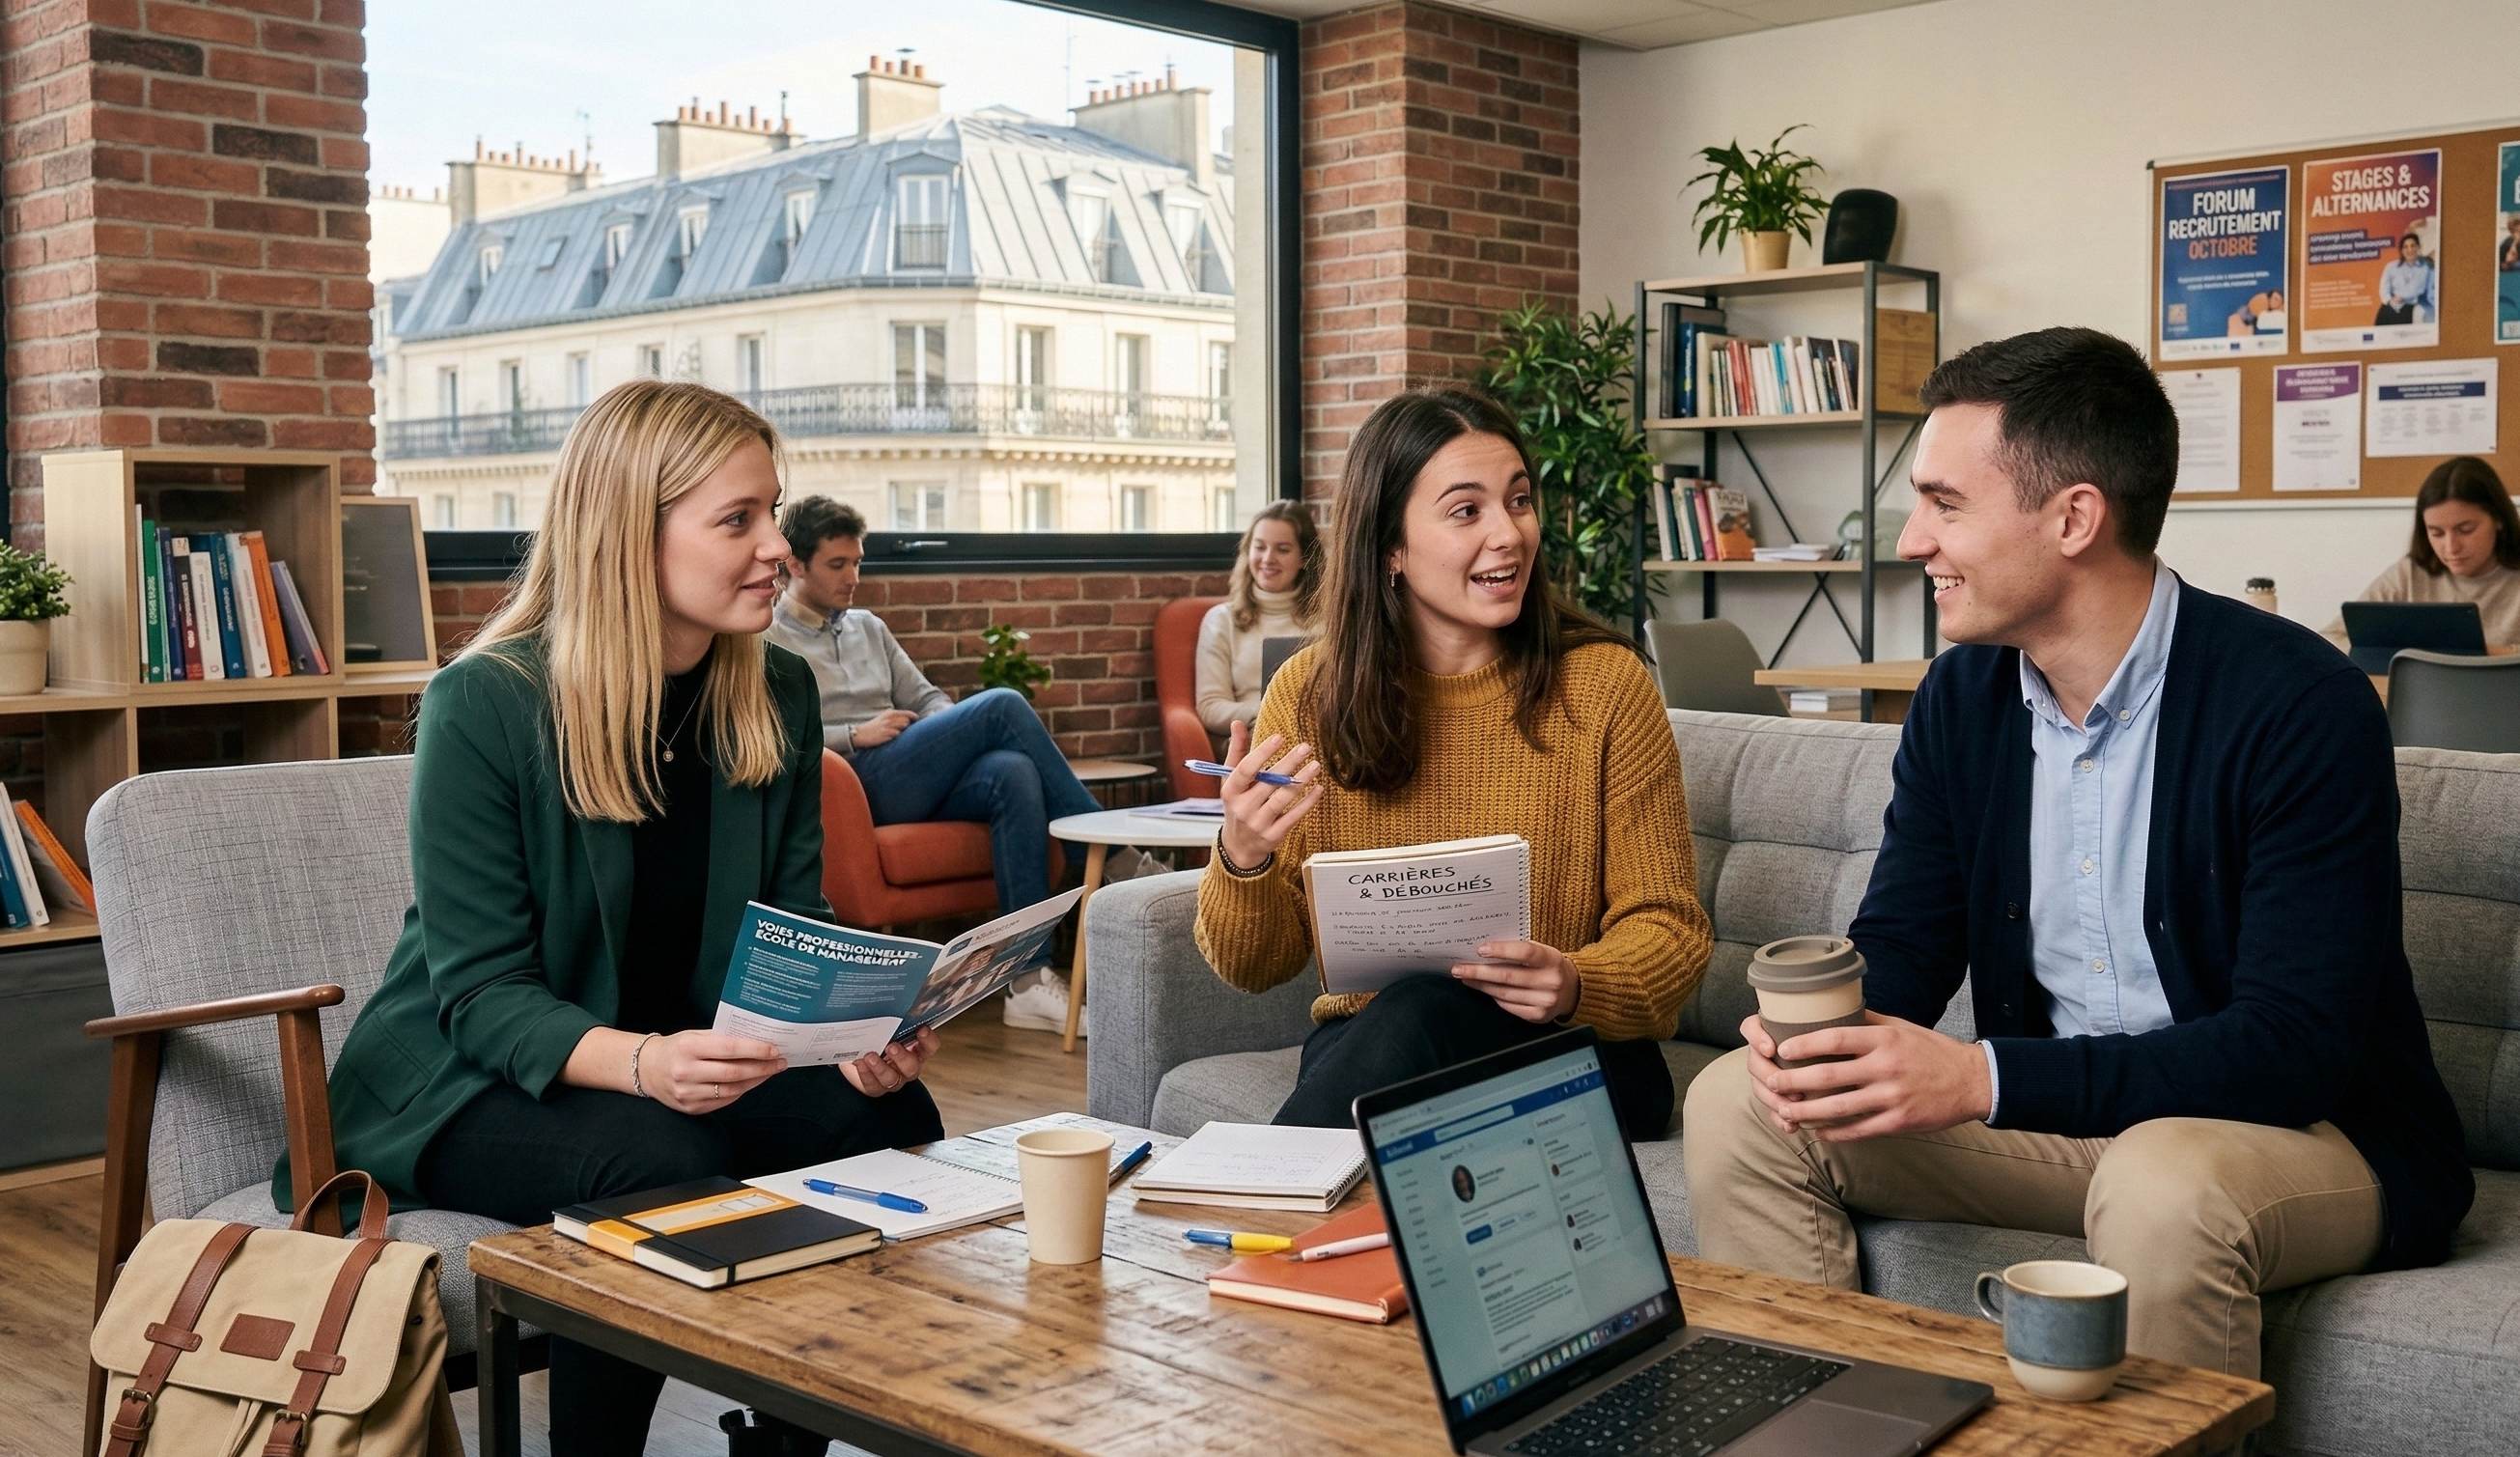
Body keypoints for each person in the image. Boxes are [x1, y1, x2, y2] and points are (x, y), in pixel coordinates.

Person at [1680, 327, 2474, 1381]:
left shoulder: (2298, 703)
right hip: (2072, 1127)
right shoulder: (1962, 701)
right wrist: (1819, 1034)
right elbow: (1905, 951)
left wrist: (1980, 1077)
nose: (1914, 540)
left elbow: (2294, 1048)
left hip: (2306, 1138)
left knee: (2162, 1177)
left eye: (1945, 503)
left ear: (2074, 518)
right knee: (1738, 1102)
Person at [288, 380, 943, 1457]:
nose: (775, 546)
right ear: (625, 536)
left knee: (887, 1126)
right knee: (649, 1158)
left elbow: (787, 929)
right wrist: (643, 1063)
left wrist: (855, 1033)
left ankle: (779, 1444)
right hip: (472, 1079)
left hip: (684, 1057)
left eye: (771, 513)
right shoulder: (488, 703)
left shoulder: (772, 689)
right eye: (737, 521)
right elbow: (481, 995)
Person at [1194, 385, 1712, 1140]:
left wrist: (1573, 981)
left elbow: (1671, 928)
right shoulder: (1309, 694)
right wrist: (1242, 854)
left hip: (1582, 1051)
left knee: (1421, 1009)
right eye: (1468, 511)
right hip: (1379, 1046)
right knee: (1413, 1014)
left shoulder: (1604, 685)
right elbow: (1254, 967)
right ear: (1392, 547)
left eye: (1520, 501)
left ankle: (1244, 1200)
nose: (1509, 533)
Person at [764, 494, 1103, 1033]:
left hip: (909, 767)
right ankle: (1100, 848)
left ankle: (1027, 981)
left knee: (1011, 770)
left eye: (857, 562)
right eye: (837, 565)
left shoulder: (869, 628)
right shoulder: (769, 637)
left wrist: (936, 735)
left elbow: (929, 699)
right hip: (857, 785)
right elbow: (774, 735)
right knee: (1003, 704)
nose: (852, 577)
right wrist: (856, 733)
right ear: (795, 565)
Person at [2326, 456, 2520, 646]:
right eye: (2436, 533)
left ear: (2498, 519)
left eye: (2465, 530)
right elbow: (2331, 638)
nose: (2451, 547)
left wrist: (2483, 655)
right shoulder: (2410, 574)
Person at [1196, 499, 1323, 736]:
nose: (1268, 559)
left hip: (1318, 736)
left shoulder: (1329, 620)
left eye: (1282, 549)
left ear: (1304, 558)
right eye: (1260, 547)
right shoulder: (1221, 620)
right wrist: (1273, 713)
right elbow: (1211, 707)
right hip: (1250, 739)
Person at [2376, 232, 2436, 325]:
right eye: (2406, 247)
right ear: (2401, 250)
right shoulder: (2391, 266)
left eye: (2413, 246)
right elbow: (2383, 288)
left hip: (2409, 309)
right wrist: (2389, 301)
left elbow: (2418, 289)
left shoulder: (2426, 267)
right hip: (2389, 308)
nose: (2410, 249)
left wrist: (2401, 298)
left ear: (2418, 248)